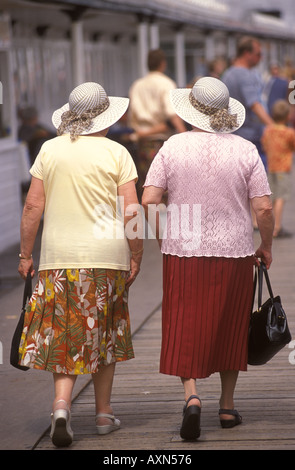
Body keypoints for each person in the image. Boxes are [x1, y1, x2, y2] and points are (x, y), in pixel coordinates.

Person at [142, 77, 274, 441]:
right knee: (231, 326)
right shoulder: (246, 149)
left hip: (183, 250)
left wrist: (162, 235)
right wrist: (267, 246)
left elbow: (149, 199)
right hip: (235, 251)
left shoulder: (173, 145)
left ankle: (192, 397)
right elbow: (263, 206)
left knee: (185, 324)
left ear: (191, 108)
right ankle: (227, 407)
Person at [17, 82, 143, 447]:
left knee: (64, 335)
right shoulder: (117, 153)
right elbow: (131, 210)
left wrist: (26, 255)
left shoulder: (49, 149)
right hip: (107, 259)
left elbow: (31, 207)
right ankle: (103, 414)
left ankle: (61, 406)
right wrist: (136, 253)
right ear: (105, 117)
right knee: (105, 332)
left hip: (58, 260)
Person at [129, 49, 186, 199]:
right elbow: (171, 114)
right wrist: (184, 136)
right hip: (161, 142)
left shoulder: (137, 85)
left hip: (142, 142)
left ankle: (151, 222)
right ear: (163, 64)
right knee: (165, 190)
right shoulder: (166, 83)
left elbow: (132, 116)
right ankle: (166, 222)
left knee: (147, 187)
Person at [222, 36, 273, 170]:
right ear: (246, 53)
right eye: (258, 54)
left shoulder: (228, 74)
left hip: (234, 134)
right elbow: (255, 104)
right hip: (250, 136)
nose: (260, 58)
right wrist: (273, 126)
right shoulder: (244, 75)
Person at [261, 99, 295, 238]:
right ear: (288, 116)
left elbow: (264, 144)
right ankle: (277, 227)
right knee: (281, 198)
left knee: (273, 198)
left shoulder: (268, 130)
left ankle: (271, 226)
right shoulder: (289, 132)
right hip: (283, 168)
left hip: (271, 167)